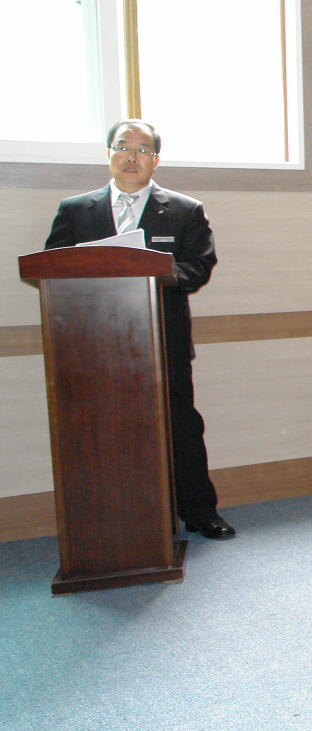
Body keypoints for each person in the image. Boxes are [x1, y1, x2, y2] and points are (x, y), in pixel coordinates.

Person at [45, 120, 234, 541]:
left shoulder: (185, 209)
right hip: (93, 341)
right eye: (122, 146)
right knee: (100, 428)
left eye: (143, 149)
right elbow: (54, 264)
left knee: (181, 426)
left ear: (156, 159)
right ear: (109, 154)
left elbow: (198, 267)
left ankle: (199, 511)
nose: (132, 156)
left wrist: (151, 270)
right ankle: (107, 514)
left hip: (163, 338)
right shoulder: (75, 210)